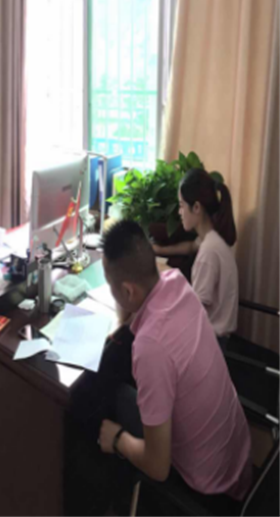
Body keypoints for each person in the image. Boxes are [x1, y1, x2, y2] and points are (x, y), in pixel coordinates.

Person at [65, 220, 252, 515]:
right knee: (120, 388)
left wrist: (117, 438)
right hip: (239, 462)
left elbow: (158, 467)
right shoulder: (176, 282)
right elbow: (138, 305)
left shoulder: (151, 348)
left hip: (210, 492)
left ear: (128, 291)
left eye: (111, 287)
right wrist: (126, 308)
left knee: (107, 402)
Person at [153, 169, 239, 345]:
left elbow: (195, 311)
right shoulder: (212, 238)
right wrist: (159, 250)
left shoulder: (208, 253)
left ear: (197, 207)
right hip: (213, 334)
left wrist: (168, 282)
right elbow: (190, 247)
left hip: (212, 342)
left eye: (182, 205)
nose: (179, 212)